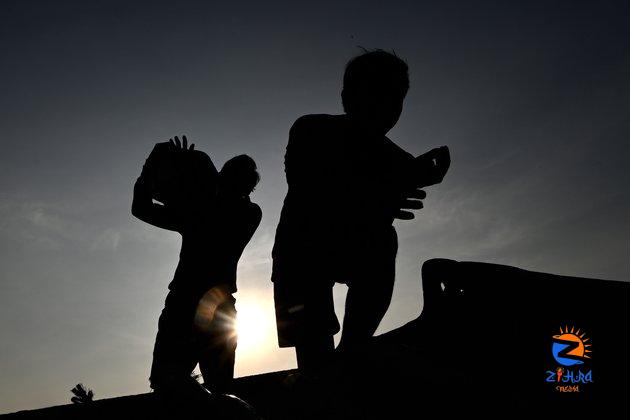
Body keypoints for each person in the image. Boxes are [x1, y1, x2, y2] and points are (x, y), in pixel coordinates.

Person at [271, 49, 450, 372]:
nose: (386, 107)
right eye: (377, 93)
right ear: (348, 96)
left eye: (396, 99)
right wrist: (381, 195)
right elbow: (307, 186)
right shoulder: (312, 128)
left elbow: (395, 191)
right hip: (301, 251)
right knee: (315, 358)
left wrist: (421, 178)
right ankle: (324, 372)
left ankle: (352, 349)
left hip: (355, 249)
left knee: (383, 239)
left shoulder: (395, 158)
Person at [132, 136, 262, 394]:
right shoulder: (201, 207)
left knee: (180, 381)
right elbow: (141, 209)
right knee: (198, 384)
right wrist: (166, 168)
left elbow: (142, 207)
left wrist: (165, 167)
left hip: (190, 303)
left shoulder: (242, 213)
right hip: (209, 305)